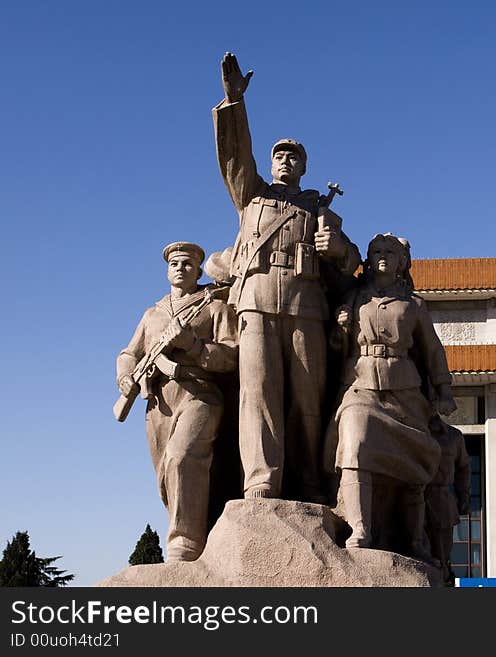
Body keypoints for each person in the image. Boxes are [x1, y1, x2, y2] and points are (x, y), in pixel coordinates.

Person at [213, 52, 361, 502]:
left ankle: (308, 484)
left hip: (305, 307)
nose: (283, 160)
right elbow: (235, 157)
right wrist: (234, 103)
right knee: (257, 394)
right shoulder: (252, 196)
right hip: (256, 300)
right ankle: (261, 481)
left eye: (292, 157)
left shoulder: (319, 209)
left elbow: (352, 260)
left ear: (303, 168)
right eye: (278, 155)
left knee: (306, 401)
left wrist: (336, 248)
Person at [328, 233, 456, 560]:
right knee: (355, 444)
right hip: (361, 386)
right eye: (377, 250)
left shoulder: (413, 305)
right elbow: (333, 351)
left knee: (414, 461)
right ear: (368, 259)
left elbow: (432, 350)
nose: (383, 255)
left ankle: (414, 539)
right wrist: (340, 330)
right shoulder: (355, 298)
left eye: (390, 251)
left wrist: (442, 390)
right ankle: (360, 527)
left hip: (404, 391)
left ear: (402, 261)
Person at [116, 242, 238, 561]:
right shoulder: (152, 314)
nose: (181, 268)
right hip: (158, 401)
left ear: (198, 270)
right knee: (165, 472)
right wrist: (126, 376)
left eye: (187, 264)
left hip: (200, 393)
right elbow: (129, 353)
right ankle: (191, 525)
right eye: (175, 264)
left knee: (183, 456)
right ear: (167, 271)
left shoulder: (213, 306)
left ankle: (185, 541)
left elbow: (231, 355)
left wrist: (194, 346)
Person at [425, 415, 471, 585]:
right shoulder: (412, 430)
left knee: (441, 552)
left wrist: (464, 496)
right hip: (413, 496)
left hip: (441, 498)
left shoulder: (453, 436)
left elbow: (463, 466)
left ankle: (443, 577)